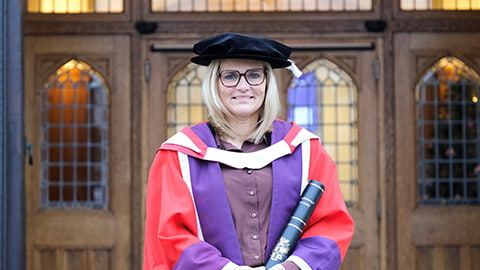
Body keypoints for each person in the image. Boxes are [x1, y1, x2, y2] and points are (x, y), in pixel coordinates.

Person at [143, 32, 354, 270]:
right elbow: (170, 234)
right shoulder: (179, 155)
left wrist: (292, 267)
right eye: (230, 76)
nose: (243, 86)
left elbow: (330, 224)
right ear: (214, 83)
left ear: (267, 83)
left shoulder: (304, 149)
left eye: (254, 75)